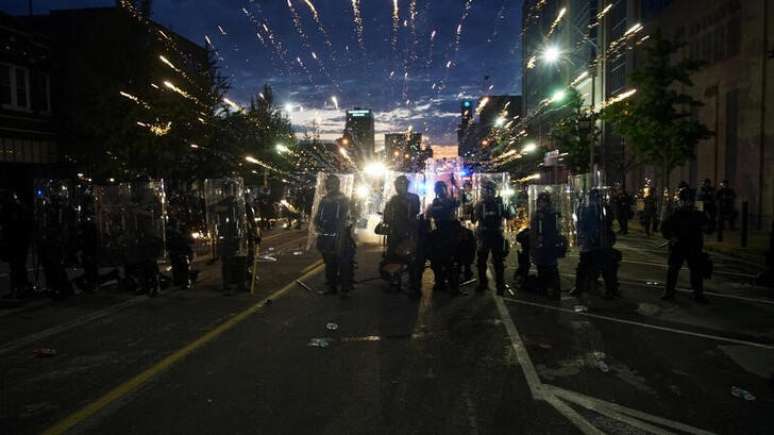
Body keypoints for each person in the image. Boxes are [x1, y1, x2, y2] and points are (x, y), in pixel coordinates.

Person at [661, 188, 710, 303]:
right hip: (678, 245)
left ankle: (698, 293)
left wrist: (706, 224)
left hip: (693, 245)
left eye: (689, 200)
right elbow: (665, 228)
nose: (687, 202)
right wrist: (671, 237)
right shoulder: (676, 213)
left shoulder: (697, 213)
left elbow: (707, 226)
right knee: (673, 269)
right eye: (685, 200)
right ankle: (669, 292)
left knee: (696, 270)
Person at [571, 189, 621, 299]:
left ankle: (610, 289)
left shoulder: (602, 209)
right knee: (585, 266)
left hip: (600, 243)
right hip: (590, 242)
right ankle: (581, 286)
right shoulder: (586, 208)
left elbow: (609, 223)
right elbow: (581, 224)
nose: (595, 200)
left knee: (605, 267)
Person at [315, 175, 356, 297]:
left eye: (333, 183)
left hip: (340, 237)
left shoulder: (344, 200)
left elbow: (349, 219)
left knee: (343, 263)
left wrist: (342, 232)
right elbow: (319, 217)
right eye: (329, 183)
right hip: (327, 236)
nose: (330, 186)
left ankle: (345, 288)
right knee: (330, 262)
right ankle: (332, 286)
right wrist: (318, 224)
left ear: (337, 184)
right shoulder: (325, 199)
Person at [382, 175, 422, 296]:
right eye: (397, 184)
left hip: (408, 234)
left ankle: (414, 286)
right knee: (392, 259)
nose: (399, 187)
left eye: (401, 184)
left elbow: (414, 211)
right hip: (395, 234)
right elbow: (387, 216)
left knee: (411, 261)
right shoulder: (393, 199)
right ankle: (395, 282)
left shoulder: (413, 198)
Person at [472, 180, 512, 295]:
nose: (485, 193)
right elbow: (474, 218)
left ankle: (498, 286)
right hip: (486, 235)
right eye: (485, 190)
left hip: (494, 235)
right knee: (482, 261)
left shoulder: (498, 203)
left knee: (497, 261)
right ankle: (485, 284)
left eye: (487, 190)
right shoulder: (482, 204)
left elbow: (508, 215)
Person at [428, 181, 462, 295]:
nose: (439, 191)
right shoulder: (435, 202)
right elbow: (431, 214)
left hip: (449, 232)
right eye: (437, 188)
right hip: (439, 232)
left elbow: (460, 200)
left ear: (445, 189)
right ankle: (440, 282)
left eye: (441, 188)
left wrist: (457, 185)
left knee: (450, 262)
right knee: (436, 260)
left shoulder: (450, 200)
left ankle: (454, 286)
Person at [530, 192, 563, 299]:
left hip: (548, 243)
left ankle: (553, 290)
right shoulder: (540, 214)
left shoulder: (550, 213)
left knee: (551, 267)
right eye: (540, 202)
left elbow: (556, 229)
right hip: (543, 244)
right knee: (542, 267)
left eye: (543, 202)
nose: (542, 204)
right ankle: (545, 288)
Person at [1, 191, 33, 299]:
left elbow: (12, 224)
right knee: (17, 266)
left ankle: (18, 289)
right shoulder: (17, 208)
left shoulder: (13, 209)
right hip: (18, 240)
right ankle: (20, 288)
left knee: (16, 266)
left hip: (16, 240)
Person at [166, 218, 194, 289]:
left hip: (178, 252)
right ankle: (182, 282)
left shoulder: (175, 233)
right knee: (181, 268)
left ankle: (181, 281)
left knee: (180, 268)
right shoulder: (174, 233)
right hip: (178, 252)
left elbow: (186, 242)